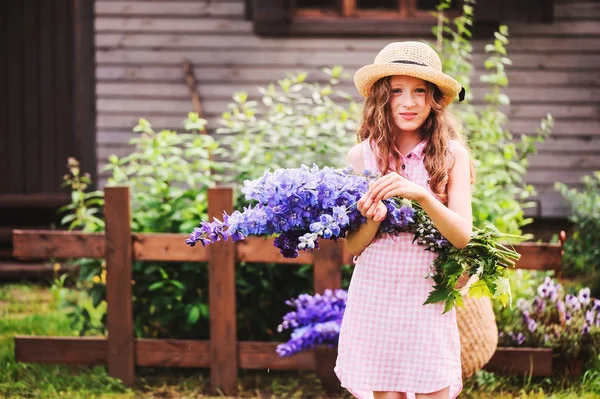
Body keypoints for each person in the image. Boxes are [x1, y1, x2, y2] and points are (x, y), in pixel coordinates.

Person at [334, 41, 475, 399]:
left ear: (434, 99)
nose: (408, 102)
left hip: (425, 292)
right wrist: (371, 220)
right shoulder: (361, 157)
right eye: (397, 91)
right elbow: (351, 247)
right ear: (382, 96)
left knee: (432, 388)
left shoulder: (451, 156)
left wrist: (422, 194)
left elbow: (461, 236)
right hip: (377, 293)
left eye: (419, 91)